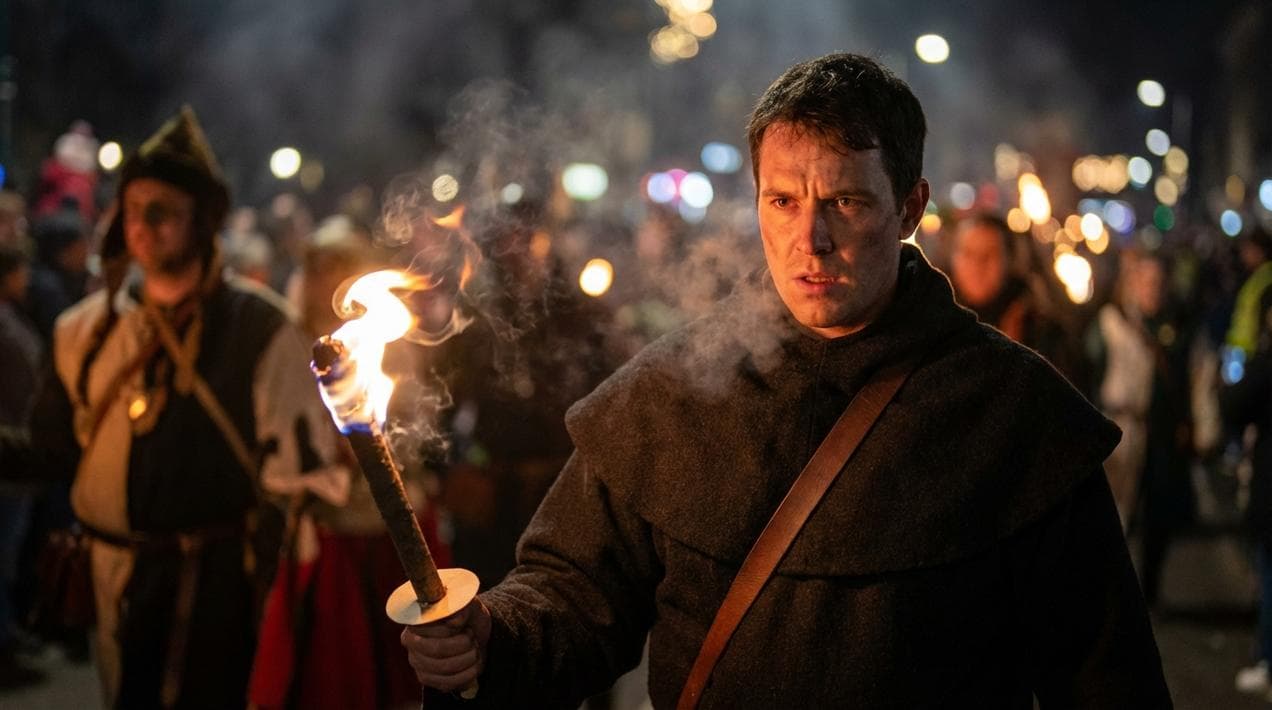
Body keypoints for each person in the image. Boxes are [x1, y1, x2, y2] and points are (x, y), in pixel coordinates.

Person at [401, 53, 1170, 708]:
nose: (812, 238)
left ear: (909, 207)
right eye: (783, 200)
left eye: (846, 200)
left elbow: (1106, 680)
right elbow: (572, 595)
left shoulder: (1013, 413)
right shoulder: (674, 391)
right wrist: (492, 637)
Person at [28, 106, 338, 709]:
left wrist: (271, 599)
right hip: (112, 577)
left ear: (202, 220)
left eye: (163, 211)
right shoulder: (83, 330)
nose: (143, 225)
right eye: (133, 209)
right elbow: (51, 451)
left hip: (215, 588)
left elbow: (297, 487)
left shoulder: (262, 328)